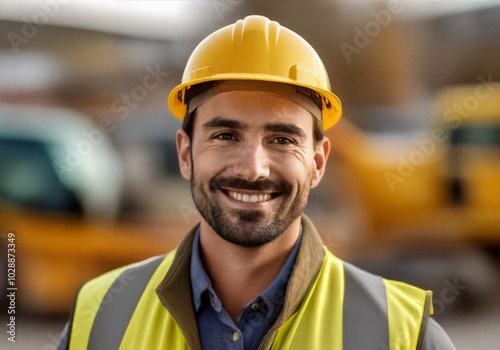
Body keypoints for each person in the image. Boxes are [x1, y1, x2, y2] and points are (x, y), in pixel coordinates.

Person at [58, 15, 456, 349]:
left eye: (282, 140)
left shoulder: (402, 333)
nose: (253, 169)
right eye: (225, 135)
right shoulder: (99, 319)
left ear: (317, 163)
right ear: (185, 154)